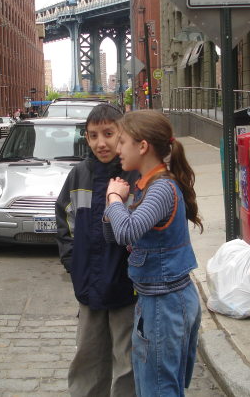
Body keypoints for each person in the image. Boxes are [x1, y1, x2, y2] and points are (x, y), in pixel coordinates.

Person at [103, 110, 203, 397]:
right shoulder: (146, 185)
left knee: (159, 389)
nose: (117, 149)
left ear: (142, 146)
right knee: (153, 385)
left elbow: (127, 231)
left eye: (122, 142)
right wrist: (113, 209)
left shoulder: (161, 189)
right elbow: (115, 235)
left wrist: (113, 199)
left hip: (166, 302)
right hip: (155, 300)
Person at [56, 103, 140, 397]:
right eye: (93, 136)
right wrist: (73, 263)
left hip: (126, 287)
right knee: (88, 356)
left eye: (108, 133)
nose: (100, 142)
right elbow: (64, 218)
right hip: (89, 285)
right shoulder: (79, 174)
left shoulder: (135, 174)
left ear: (122, 133)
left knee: (127, 358)